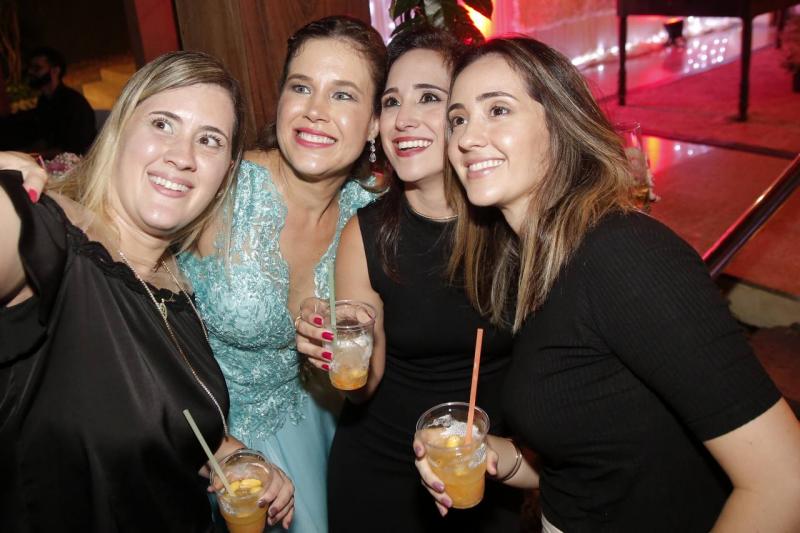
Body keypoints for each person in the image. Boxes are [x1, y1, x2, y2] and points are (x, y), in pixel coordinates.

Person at [415, 37, 800, 532]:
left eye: (498, 110)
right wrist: (490, 455)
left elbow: (784, 480)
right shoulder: (531, 261)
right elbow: (590, 459)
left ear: (560, 125)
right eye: (458, 119)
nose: (467, 137)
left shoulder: (625, 256)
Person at [0, 51, 294, 532]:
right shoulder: (54, 240)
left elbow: (149, 415)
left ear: (225, 175)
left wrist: (231, 455)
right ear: (118, 131)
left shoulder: (174, 279)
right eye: (162, 124)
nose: (182, 156)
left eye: (209, 140)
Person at [296, 27, 522, 532]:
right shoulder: (367, 234)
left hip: (482, 470)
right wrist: (339, 357)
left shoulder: (514, 225)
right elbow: (363, 386)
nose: (404, 119)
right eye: (392, 101)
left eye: (429, 98)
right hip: (381, 475)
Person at [178, 16, 386, 532]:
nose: (315, 110)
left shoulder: (370, 217)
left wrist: (344, 354)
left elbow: (365, 385)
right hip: (200, 437)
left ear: (375, 123)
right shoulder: (223, 186)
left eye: (343, 95)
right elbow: (122, 270)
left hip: (317, 431)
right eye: (301, 87)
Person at [0, 46, 97, 156]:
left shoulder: (73, 103)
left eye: (37, 68)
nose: (30, 72)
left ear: (55, 71)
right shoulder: (45, 101)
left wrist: (29, 156)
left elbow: (72, 149)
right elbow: (43, 137)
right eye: (30, 68)